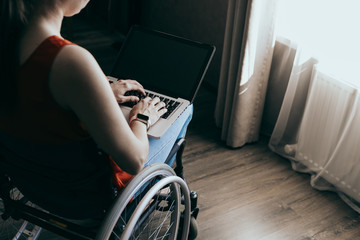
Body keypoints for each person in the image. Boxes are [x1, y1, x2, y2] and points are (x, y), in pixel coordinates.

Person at [0, 0, 192, 219]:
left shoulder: (9, 41)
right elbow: (135, 160)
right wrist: (142, 115)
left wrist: (99, 93)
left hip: (32, 184)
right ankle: (155, 189)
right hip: (87, 200)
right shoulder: (70, 62)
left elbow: (33, 101)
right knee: (185, 111)